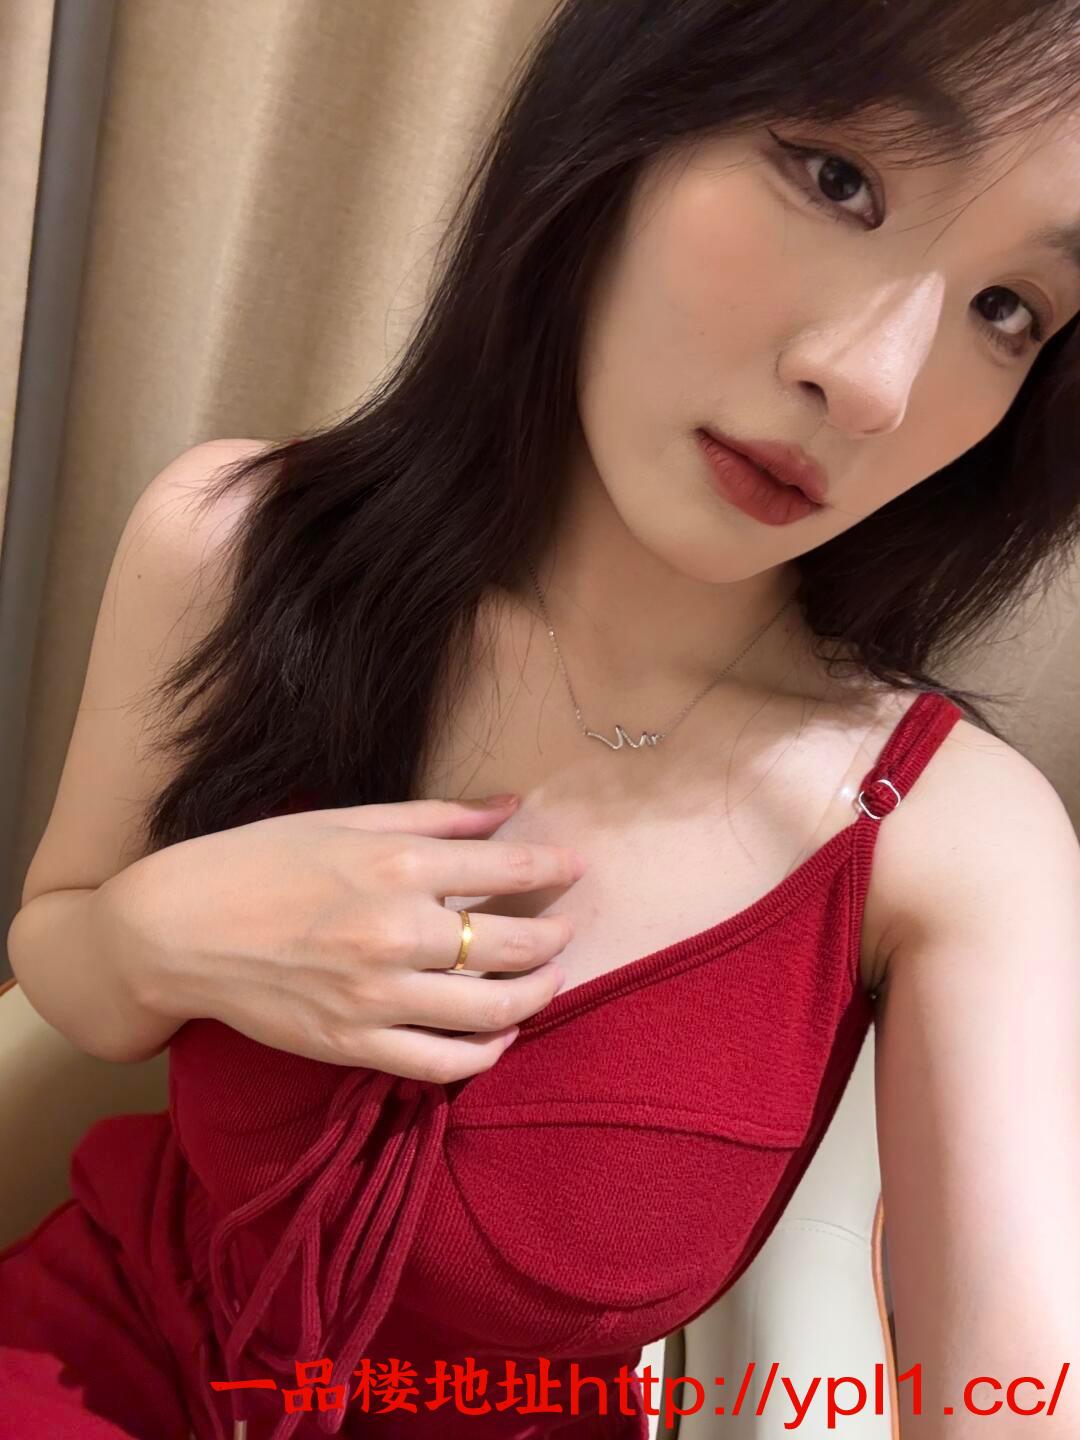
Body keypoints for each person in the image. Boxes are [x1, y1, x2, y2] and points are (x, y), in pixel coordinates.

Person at [3, 0, 1080, 1436]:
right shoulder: (238, 546)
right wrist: (164, 929)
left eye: (1009, 310)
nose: (872, 382)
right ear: (628, 121)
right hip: (100, 1352)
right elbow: (64, 963)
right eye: (841, 178)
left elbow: (1017, 1386)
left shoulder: (952, 837)